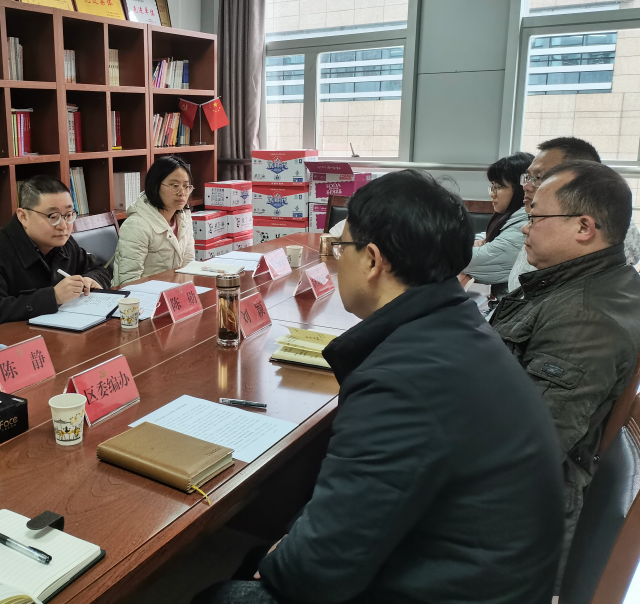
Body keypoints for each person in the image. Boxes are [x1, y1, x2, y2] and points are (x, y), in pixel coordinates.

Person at [194, 171, 563, 604]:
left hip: (456, 589)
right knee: (264, 551)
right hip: (480, 569)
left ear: (372, 260)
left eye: (342, 248)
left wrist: (286, 558)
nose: (339, 262)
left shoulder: (402, 382)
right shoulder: (457, 327)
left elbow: (318, 572)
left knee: (222, 594)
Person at [491, 160, 640, 585]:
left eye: (536, 217)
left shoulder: (585, 319)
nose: (525, 227)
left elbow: (524, 451)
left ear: (583, 227)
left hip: (513, 524)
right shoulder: (589, 283)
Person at [0, 175, 112, 336]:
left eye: (68, 215)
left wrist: (91, 280)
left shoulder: (64, 243)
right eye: (53, 217)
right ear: (23, 216)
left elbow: (100, 269)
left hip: (53, 336)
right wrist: (53, 296)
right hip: (3, 344)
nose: (63, 226)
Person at [507, 136, 640, 291]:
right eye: (528, 177)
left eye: (539, 177)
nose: (526, 186)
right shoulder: (549, 221)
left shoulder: (606, 237)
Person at [461, 151, 533, 303]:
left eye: (498, 187)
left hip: (515, 307)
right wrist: (480, 242)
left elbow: (477, 260)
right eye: (492, 186)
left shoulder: (526, 221)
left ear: (520, 188)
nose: (492, 194)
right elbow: (488, 236)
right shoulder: (514, 214)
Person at [112, 156, 195, 286]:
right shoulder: (136, 225)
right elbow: (128, 282)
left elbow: (188, 268)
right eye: (174, 186)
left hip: (173, 293)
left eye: (186, 186)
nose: (182, 193)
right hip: (142, 296)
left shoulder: (184, 217)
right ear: (156, 186)